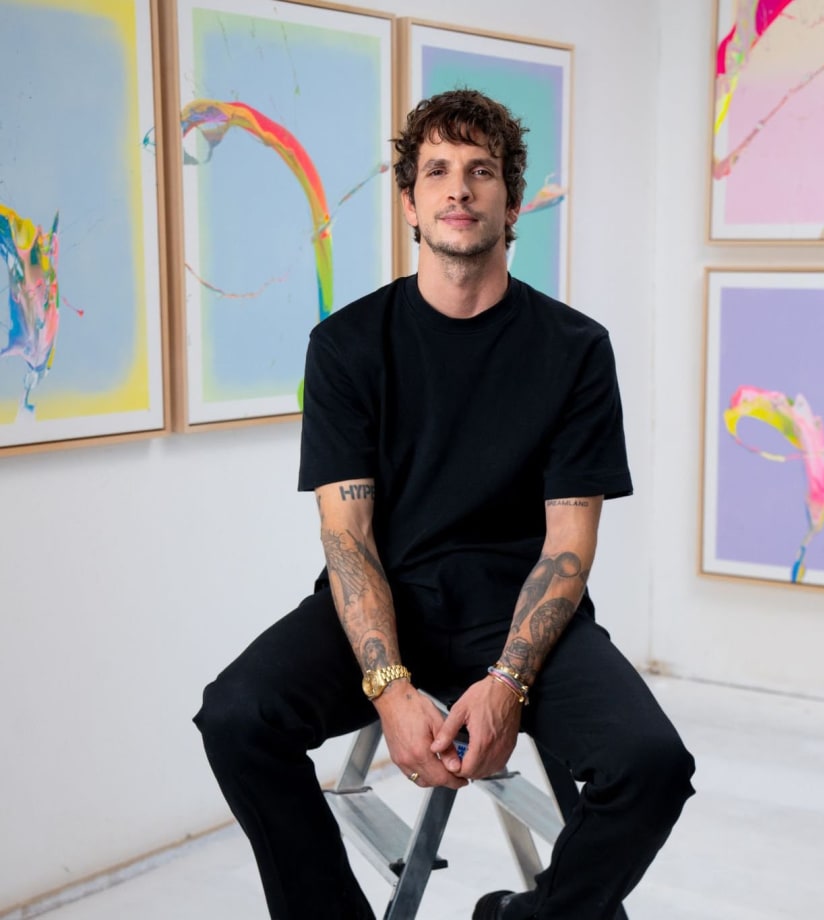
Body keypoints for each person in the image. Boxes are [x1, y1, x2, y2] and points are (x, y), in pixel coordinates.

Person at [194, 88, 695, 920]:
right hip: (392, 600)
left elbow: (569, 542)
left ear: (509, 200)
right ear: (411, 205)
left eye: (481, 171)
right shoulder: (349, 346)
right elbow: (346, 535)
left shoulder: (574, 349)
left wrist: (507, 682)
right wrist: (389, 687)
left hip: (523, 613)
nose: (459, 189)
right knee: (236, 717)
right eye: (437, 171)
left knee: (651, 765)